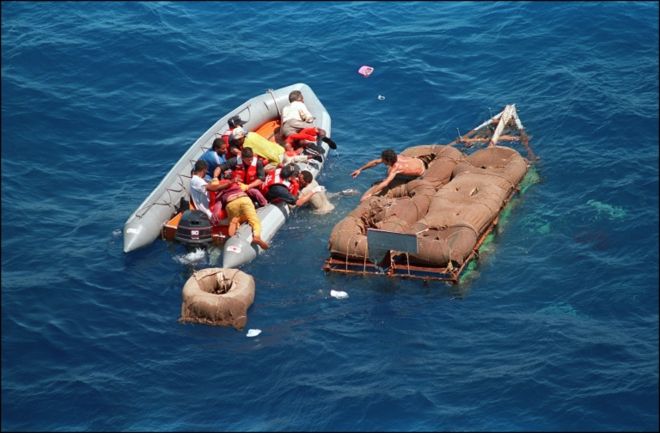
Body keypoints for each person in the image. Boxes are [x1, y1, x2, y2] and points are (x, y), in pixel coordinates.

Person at [351, 149, 431, 202]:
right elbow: (375, 162)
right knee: (389, 171)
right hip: (419, 161)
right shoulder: (398, 157)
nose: (381, 160)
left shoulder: (396, 168)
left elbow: (386, 182)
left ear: (388, 160)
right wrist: (360, 170)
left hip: (420, 173)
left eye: (383, 160)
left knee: (388, 175)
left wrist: (370, 194)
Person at [189, 160, 229, 224]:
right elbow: (213, 189)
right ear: (204, 170)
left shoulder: (198, 180)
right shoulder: (196, 180)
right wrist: (228, 184)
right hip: (209, 214)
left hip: (211, 207)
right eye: (206, 171)